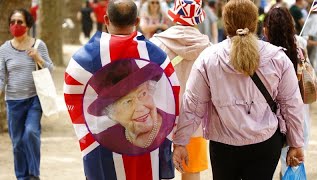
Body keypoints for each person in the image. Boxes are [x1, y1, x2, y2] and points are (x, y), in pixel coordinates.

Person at [172, 0, 305, 180]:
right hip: (265, 143)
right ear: (255, 23)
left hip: (223, 145)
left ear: (226, 24)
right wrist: (296, 143)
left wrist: (180, 142)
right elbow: (292, 105)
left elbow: (192, 106)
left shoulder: (208, 58)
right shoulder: (277, 57)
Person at [64, 0, 179, 179]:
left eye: (142, 93)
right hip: (150, 159)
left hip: (103, 154)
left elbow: (71, 92)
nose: (139, 107)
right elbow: (174, 91)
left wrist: (89, 128)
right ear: (138, 21)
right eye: (126, 101)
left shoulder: (84, 59)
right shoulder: (156, 55)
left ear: (106, 20)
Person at [150, 0, 210, 179]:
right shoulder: (208, 48)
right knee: (191, 171)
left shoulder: (156, 44)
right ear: (197, 19)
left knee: (157, 171)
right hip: (194, 121)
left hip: (159, 118)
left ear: (174, 16)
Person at [0, 8, 53, 180]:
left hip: (34, 100)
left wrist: (38, 58)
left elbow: (50, 69)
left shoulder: (38, 45)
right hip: (14, 102)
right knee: (17, 143)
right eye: (13, 22)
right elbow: (1, 76)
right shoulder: (4, 50)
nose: (16, 25)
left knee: (31, 132)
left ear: (28, 25)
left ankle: (33, 174)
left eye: (20, 22)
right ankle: (22, 177)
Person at [263, 6, 315, 178]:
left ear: (267, 29)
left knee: (265, 167)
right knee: (290, 164)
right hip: (297, 114)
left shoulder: (262, 53)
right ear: (291, 27)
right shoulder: (299, 48)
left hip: (268, 117)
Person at [85, 59, 175, 154]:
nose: (140, 108)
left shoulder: (176, 127)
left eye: (143, 94)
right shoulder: (104, 141)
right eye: (128, 102)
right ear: (111, 113)